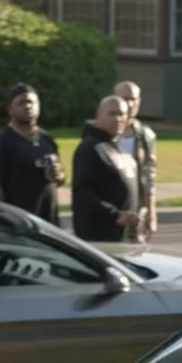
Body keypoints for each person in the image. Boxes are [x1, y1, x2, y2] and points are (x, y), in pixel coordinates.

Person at [0, 82, 63, 225]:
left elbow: (60, 179)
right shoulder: (2, 143)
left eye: (31, 102)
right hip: (20, 223)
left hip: (50, 222)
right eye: (21, 103)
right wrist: (5, 220)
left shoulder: (47, 139)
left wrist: (59, 175)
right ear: (10, 109)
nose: (28, 106)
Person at [70, 95, 141, 243]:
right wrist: (115, 215)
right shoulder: (90, 148)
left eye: (121, 114)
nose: (117, 119)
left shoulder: (118, 147)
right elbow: (83, 193)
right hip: (100, 239)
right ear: (98, 116)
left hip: (125, 237)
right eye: (111, 114)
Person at [113, 80, 157, 242]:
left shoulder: (146, 136)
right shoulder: (105, 133)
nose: (130, 104)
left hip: (137, 207)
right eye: (125, 98)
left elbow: (149, 177)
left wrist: (151, 215)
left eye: (134, 99)